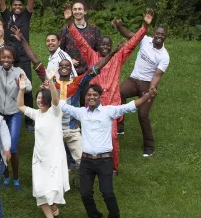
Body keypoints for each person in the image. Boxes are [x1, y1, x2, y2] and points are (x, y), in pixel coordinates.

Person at [12, 27, 121, 172]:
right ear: (57, 68)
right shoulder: (51, 82)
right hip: (54, 128)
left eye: (67, 66)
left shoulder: (77, 82)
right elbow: (35, 60)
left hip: (72, 129)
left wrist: (112, 54)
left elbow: (95, 68)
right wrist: (23, 40)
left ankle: (82, 181)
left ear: (71, 69)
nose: (64, 67)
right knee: (51, 161)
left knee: (83, 161)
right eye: (61, 66)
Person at [64, 7, 153, 174]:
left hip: (110, 106)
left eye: (108, 45)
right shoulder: (92, 56)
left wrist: (145, 27)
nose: (105, 46)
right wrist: (70, 22)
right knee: (89, 137)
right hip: (92, 105)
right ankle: (88, 165)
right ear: (98, 46)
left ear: (112, 47)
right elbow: (79, 40)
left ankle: (113, 168)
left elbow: (133, 43)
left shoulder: (118, 57)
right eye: (102, 44)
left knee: (112, 137)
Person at [61, 85, 157, 218]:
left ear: (100, 97)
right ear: (86, 98)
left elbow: (130, 106)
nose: (91, 97)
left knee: (107, 192)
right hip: (86, 161)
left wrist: (148, 96)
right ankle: (94, 216)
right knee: (85, 194)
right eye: (89, 95)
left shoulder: (109, 111)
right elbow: (62, 105)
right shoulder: (81, 112)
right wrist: (50, 89)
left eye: (95, 94)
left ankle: (114, 216)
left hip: (104, 161)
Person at [0, 0, 42, 131]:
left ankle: (29, 120)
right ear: (11, 7)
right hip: (8, 57)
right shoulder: (6, 17)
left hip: (24, 57)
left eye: (20, 5)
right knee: (5, 84)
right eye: (15, 5)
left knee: (26, 87)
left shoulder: (26, 16)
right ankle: (6, 113)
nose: (18, 7)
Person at [17, 73, 68, 218]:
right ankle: (49, 215)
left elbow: (56, 100)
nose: (40, 101)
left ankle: (54, 205)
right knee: (40, 190)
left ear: (48, 100)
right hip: (39, 159)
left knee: (52, 189)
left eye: (42, 98)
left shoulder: (55, 112)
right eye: (38, 98)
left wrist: (51, 83)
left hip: (54, 158)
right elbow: (20, 106)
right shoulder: (36, 114)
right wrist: (21, 89)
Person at [116, 20, 169, 157]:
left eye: (162, 34)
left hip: (148, 84)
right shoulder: (145, 40)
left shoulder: (164, 56)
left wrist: (152, 90)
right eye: (157, 33)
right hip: (134, 79)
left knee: (143, 115)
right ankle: (120, 126)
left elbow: (157, 76)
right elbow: (128, 34)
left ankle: (149, 146)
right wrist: (119, 25)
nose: (159, 36)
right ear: (154, 33)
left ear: (165, 37)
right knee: (119, 93)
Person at [0, 46, 31, 190]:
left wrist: (22, 86)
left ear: (13, 59)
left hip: (14, 113)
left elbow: (29, 87)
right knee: (1, 146)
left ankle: (16, 178)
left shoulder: (19, 71)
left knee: (12, 147)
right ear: (0, 58)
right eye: (3, 57)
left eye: (9, 57)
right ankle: (6, 177)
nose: (6, 59)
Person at [59, 1, 102, 104]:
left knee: (86, 99)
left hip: (88, 71)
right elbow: (59, 50)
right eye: (75, 9)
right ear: (72, 12)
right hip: (70, 71)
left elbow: (98, 51)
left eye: (80, 9)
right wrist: (68, 60)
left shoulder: (94, 30)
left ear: (85, 11)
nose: (77, 11)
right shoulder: (65, 30)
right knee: (70, 101)